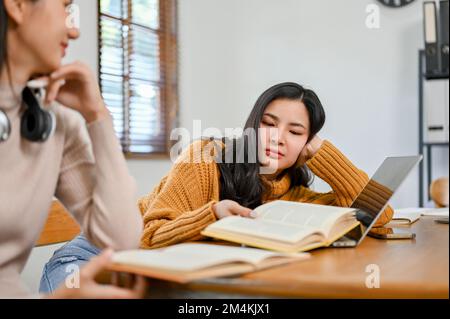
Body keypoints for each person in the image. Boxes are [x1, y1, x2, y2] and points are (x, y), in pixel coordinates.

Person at [0, 0, 144, 298]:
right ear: (16, 5)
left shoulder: (56, 122)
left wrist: (98, 116)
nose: (75, 30)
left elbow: (120, 240)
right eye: (65, 7)